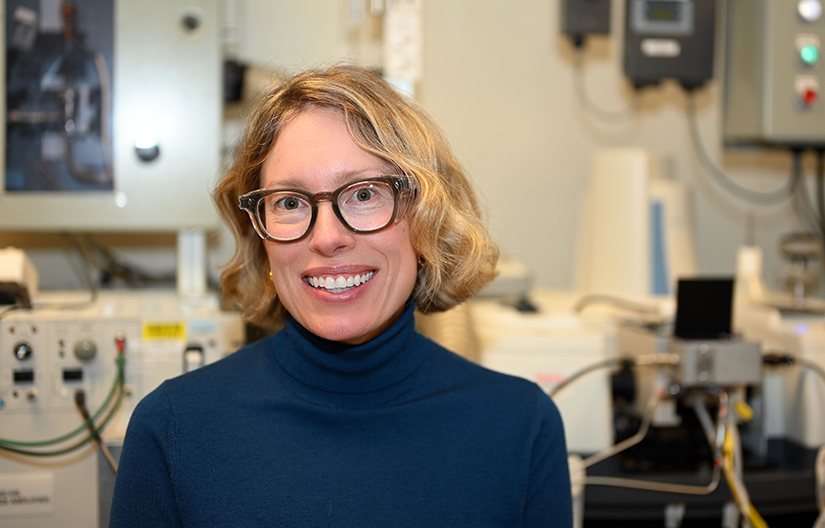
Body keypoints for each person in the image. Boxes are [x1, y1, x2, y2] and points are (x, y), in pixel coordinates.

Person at [110, 65, 572, 527]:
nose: (328, 238)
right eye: (290, 202)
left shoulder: (520, 429)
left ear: (427, 218)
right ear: (260, 237)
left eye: (364, 193)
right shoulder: (174, 430)